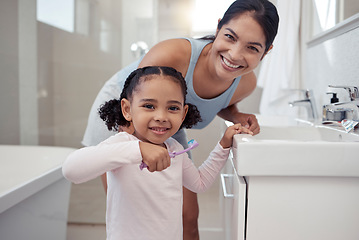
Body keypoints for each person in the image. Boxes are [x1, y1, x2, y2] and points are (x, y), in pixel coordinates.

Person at [82, 0, 279, 239]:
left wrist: (236, 114)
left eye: (252, 48)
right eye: (230, 37)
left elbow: (218, 103)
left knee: (188, 216)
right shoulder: (173, 53)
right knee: (132, 210)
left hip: (169, 123)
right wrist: (138, 147)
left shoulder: (245, 83)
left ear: (266, 51)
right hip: (125, 116)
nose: (235, 54)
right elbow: (137, 99)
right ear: (218, 28)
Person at [63, 66, 253, 240]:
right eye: (149, 106)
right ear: (127, 110)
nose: (161, 117)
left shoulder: (175, 150)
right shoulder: (122, 144)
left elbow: (200, 183)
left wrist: (223, 145)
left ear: (183, 113)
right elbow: (71, 170)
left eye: (172, 108)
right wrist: (138, 149)